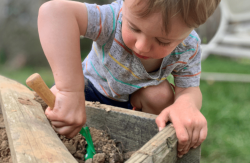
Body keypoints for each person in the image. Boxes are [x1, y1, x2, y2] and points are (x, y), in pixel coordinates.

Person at [38, 0, 220, 158]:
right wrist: (69, 90)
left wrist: (186, 105)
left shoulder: (188, 47)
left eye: (163, 41)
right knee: (54, 106)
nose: (142, 46)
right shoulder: (112, 18)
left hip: (132, 105)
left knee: (161, 95)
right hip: (86, 91)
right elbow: (54, 12)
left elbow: (189, 89)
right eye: (134, 28)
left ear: (190, 29)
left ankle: (139, 149)